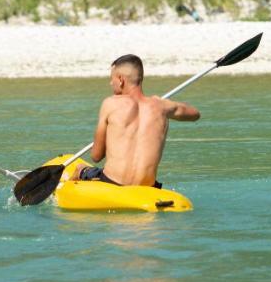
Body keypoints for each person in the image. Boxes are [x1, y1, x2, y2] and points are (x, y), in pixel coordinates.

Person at [74, 54, 200, 188]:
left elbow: (96, 156)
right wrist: (165, 104)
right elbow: (195, 114)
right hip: (148, 187)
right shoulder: (162, 106)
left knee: (79, 168)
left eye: (112, 79)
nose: (111, 83)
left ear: (121, 80)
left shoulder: (110, 104)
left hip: (112, 183)